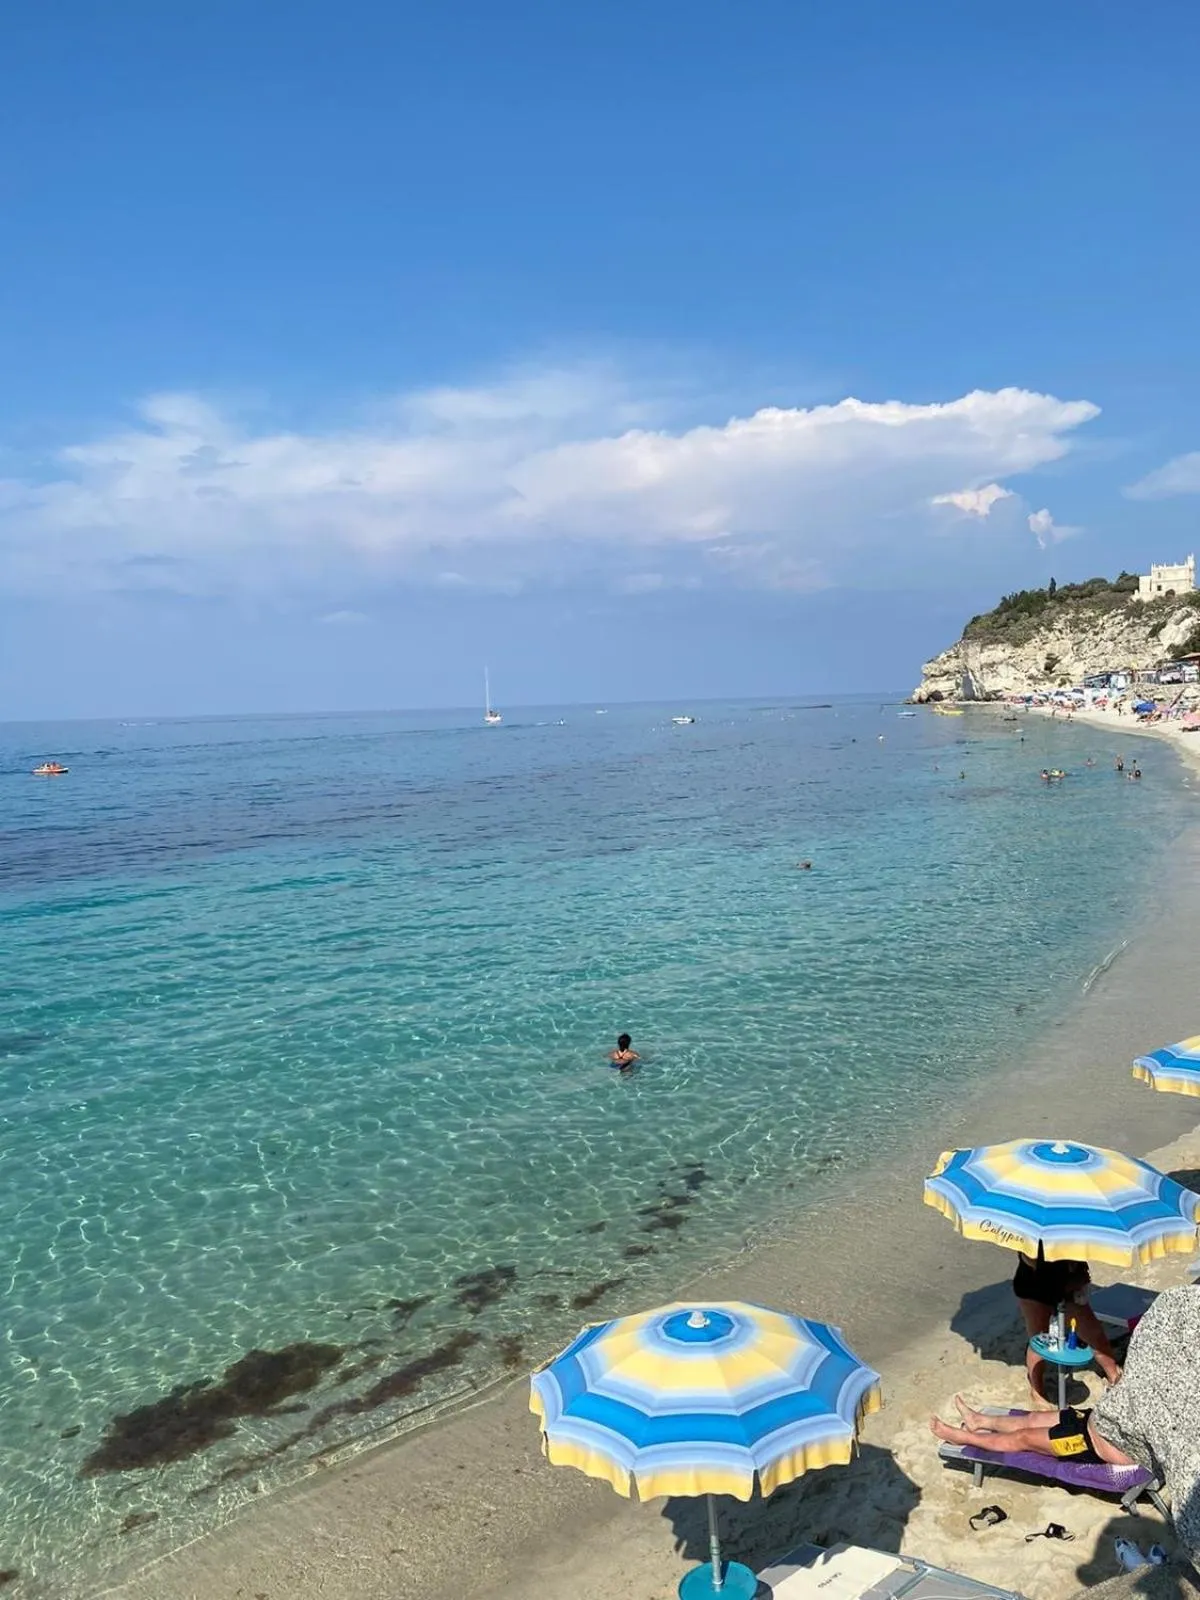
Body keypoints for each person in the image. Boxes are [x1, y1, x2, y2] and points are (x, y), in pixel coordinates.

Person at [1012, 1247, 1121, 1399]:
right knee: (1039, 1339)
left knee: (1093, 1334)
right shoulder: (1033, 1233)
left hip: (1069, 1283)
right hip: (1033, 1283)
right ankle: (1037, 1391)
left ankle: (1113, 1374)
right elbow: (1027, 1257)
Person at [930, 1395, 1134, 1467]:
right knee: (1033, 1419)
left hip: (1088, 1443)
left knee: (1023, 1438)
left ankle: (963, 1438)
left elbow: (1126, 1456)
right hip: (1092, 1418)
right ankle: (978, 1420)